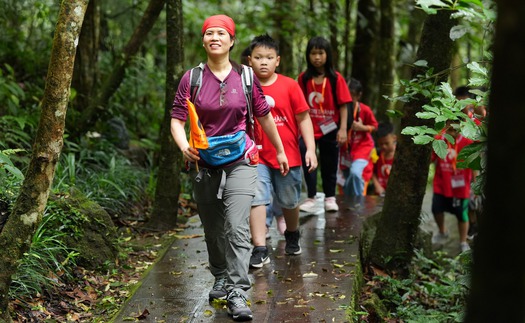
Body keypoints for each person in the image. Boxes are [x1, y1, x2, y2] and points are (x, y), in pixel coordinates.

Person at [170, 15, 289, 321]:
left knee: (236, 227)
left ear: (232, 41)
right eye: (209, 33)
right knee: (212, 229)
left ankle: (237, 292)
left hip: (241, 160)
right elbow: (177, 118)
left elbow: (263, 116)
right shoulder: (191, 78)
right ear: (203, 41)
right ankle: (220, 274)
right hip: (204, 161)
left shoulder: (246, 77)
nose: (215, 37)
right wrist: (185, 147)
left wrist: (279, 150)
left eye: (221, 33)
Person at [247, 34, 317, 268]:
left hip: (288, 155)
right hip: (255, 155)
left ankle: (293, 233)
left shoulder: (290, 85)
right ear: (250, 60)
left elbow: (304, 119)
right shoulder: (245, 86)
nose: (263, 62)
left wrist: (311, 149)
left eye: (268, 57)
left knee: (289, 200)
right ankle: (259, 247)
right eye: (258, 57)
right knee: (257, 198)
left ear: (278, 60)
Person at [298, 36, 352, 213]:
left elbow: (344, 105)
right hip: (308, 130)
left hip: (331, 129)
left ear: (327, 54)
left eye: (321, 53)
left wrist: (343, 129)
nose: (317, 57)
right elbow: (297, 104)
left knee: (330, 164)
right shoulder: (303, 79)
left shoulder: (336, 79)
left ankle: (330, 197)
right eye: (313, 53)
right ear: (308, 55)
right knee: (308, 163)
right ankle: (311, 197)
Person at [430, 121, 474, 253]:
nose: (453, 132)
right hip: (441, 183)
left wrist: (476, 184)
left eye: (456, 129)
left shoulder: (467, 141)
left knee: (462, 214)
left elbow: (474, 164)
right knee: (436, 208)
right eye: (449, 129)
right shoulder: (439, 139)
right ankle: (443, 231)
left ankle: (463, 241)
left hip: (461, 186)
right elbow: (431, 158)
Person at [339, 78, 378, 198]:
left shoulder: (365, 110)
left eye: (352, 96)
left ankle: (357, 203)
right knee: (344, 179)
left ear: (359, 96)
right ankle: (350, 205)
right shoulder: (340, 109)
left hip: (362, 149)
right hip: (345, 151)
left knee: (355, 173)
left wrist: (363, 127)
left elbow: (375, 126)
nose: (349, 99)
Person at [371, 122, 397, 197]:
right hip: (380, 193)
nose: (384, 146)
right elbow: (372, 171)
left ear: (394, 138)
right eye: (381, 144)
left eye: (387, 143)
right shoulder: (377, 154)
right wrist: (377, 185)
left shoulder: (400, 156)